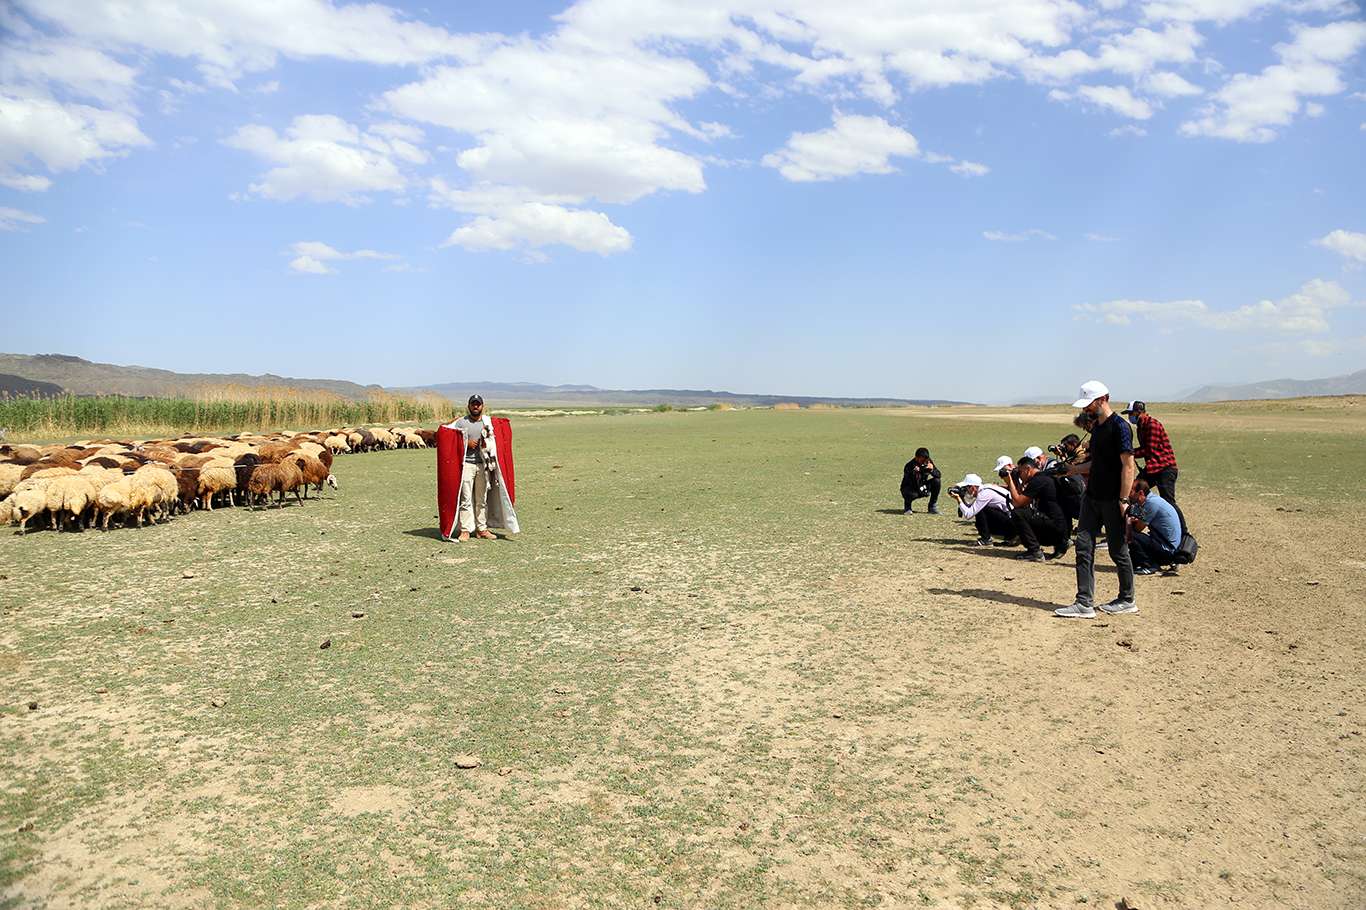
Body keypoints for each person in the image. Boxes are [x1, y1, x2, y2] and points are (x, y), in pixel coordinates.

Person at [1054, 380, 1138, 619]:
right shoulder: (1098, 429)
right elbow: (1097, 464)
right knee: (1083, 547)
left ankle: (1127, 599)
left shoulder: (1120, 428)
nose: (1085, 410)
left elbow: (1128, 466)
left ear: (1103, 399)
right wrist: (1073, 470)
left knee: (1118, 550)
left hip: (1112, 499)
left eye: (1089, 405)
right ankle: (1084, 603)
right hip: (1091, 498)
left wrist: (1123, 500)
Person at [1003, 456, 1070, 561]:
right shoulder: (1044, 478)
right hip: (1061, 528)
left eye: (1020, 472)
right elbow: (1023, 501)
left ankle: (1035, 552)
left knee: (1018, 514)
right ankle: (1060, 544)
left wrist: (1010, 482)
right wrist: (1016, 482)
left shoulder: (1038, 480)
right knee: (1025, 513)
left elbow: (1017, 503)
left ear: (1028, 469)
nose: (1019, 476)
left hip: (1054, 528)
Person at [450, 394, 497, 542]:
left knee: (481, 499)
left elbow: (496, 441)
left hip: (483, 465)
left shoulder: (487, 422)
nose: (475, 406)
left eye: (478, 404)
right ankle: (465, 530)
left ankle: (481, 529)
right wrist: (466, 443)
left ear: (482, 406)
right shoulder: (461, 423)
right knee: (465, 498)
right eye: (473, 404)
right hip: (467, 464)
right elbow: (449, 437)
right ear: (469, 406)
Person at [1122, 400, 1178, 504]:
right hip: (1153, 468)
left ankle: (1177, 520)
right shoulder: (1141, 426)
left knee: (1169, 502)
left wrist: (1129, 454)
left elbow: (1149, 450)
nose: (1129, 417)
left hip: (1165, 469)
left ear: (1138, 412)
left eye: (1130, 413)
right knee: (1135, 489)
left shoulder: (1152, 425)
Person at [1126, 479, 1181, 574]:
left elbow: (1138, 528)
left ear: (1141, 493)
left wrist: (1129, 519)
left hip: (1167, 551)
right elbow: (1137, 516)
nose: (1129, 495)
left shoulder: (1151, 504)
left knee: (1130, 535)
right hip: (1169, 547)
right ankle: (1139, 562)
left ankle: (1149, 565)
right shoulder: (1152, 500)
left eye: (1131, 492)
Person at [948, 473, 1015, 546]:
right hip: (1014, 521)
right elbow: (971, 508)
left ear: (973, 487)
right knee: (981, 509)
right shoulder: (986, 489)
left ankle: (986, 539)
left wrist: (958, 499)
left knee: (981, 510)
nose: (965, 491)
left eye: (966, 488)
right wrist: (961, 500)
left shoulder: (984, 494)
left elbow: (968, 514)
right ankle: (1010, 537)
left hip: (1014, 524)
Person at [900, 447, 941, 514]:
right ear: (916, 458)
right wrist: (914, 473)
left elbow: (938, 475)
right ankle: (907, 508)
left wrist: (932, 470)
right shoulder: (909, 466)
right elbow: (908, 482)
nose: (923, 462)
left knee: (937, 481)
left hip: (922, 486)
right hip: (911, 488)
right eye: (922, 460)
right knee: (910, 493)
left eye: (925, 459)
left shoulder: (928, 462)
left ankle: (932, 507)